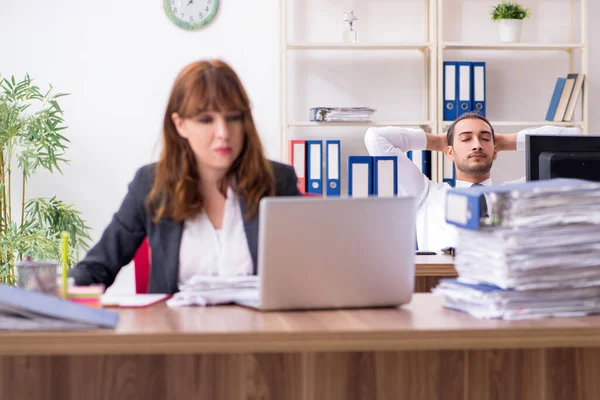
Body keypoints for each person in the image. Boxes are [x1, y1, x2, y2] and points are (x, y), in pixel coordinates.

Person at [71, 60, 302, 293]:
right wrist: (52, 289)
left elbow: (312, 267)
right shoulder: (151, 184)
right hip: (176, 327)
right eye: (205, 120)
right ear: (180, 125)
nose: (223, 133)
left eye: (233, 117)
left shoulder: (277, 181)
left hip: (261, 328)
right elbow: (98, 267)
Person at [364, 111, 581, 251]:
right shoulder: (426, 195)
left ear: (495, 151)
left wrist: (504, 141)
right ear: (449, 152)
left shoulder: (518, 193)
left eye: (485, 139)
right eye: (466, 139)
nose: (476, 145)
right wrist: (439, 141)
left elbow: (574, 138)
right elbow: (376, 138)